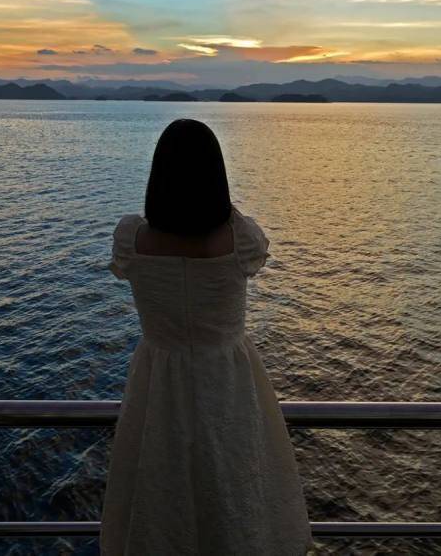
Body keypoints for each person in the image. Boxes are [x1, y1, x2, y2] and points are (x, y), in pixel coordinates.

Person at [100, 118, 313, 555]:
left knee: (159, 489)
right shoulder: (240, 239)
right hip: (228, 381)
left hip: (158, 384)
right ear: (217, 176)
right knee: (235, 486)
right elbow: (251, 242)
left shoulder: (131, 239)